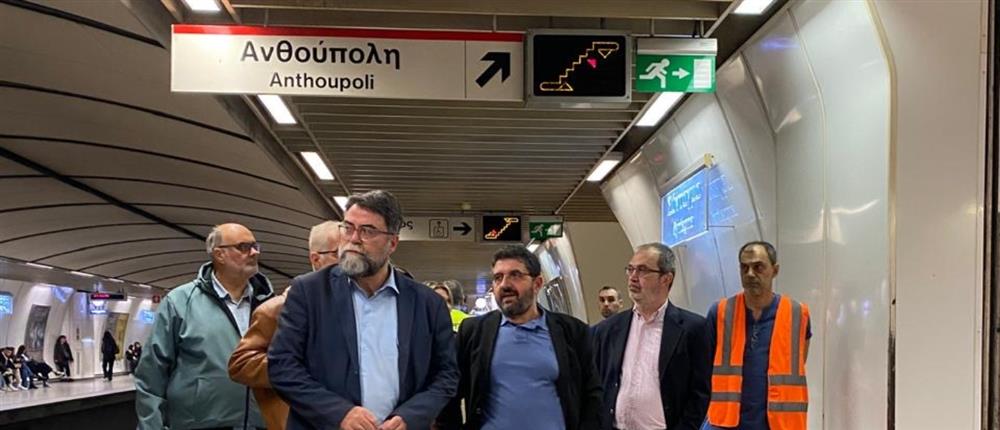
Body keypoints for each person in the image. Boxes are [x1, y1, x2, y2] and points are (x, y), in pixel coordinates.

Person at [269, 190, 459, 430]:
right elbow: (282, 366)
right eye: (348, 228)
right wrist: (339, 413)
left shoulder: (427, 304)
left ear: (392, 243)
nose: (354, 239)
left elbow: (446, 375)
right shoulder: (309, 292)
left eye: (367, 231)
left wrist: (410, 417)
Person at [439, 245, 602, 430]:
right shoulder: (474, 332)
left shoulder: (572, 332)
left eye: (515, 275)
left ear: (537, 283)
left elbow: (592, 394)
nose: (504, 285)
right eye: (498, 277)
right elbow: (448, 391)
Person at [135, 223, 274, 430]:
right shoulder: (180, 302)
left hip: (261, 424)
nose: (254, 253)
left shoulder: (271, 305)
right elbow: (152, 375)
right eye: (244, 247)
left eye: (255, 246)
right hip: (199, 424)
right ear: (219, 255)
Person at [229, 220, 343, 430]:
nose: (349, 261)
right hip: (298, 419)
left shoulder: (356, 308)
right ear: (316, 259)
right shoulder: (277, 309)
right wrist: (296, 366)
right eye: (340, 253)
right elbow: (241, 364)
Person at [592, 243, 711, 430]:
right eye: (630, 269)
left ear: (666, 278)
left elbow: (700, 393)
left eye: (642, 270)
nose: (632, 277)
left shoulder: (693, 329)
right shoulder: (607, 330)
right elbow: (595, 386)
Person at [705, 241, 812, 430]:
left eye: (758, 267)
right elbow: (705, 367)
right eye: (744, 267)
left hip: (780, 424)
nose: (750, 274)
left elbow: (799, 361)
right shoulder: (721, 312)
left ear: (775, 270)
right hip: (727, 423)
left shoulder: (797, 314)